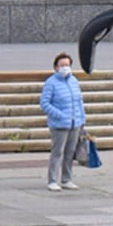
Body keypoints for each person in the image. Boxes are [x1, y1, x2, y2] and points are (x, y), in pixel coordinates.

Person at [39, 53, 86, 191]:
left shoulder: (74, 81)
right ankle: (52, 180)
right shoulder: (51, 82)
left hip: (74, 122)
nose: (65, 68)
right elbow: (44, 103)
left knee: (70, 152)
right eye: (62, 65)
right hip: (59, 124)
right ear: (56, 67)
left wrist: (82, 118)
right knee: (57, 152)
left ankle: (66, 179)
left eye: (67, 65)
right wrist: (59, 115)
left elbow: (79, 101)